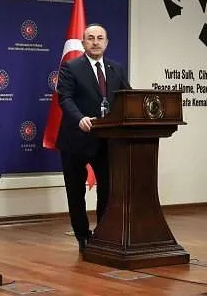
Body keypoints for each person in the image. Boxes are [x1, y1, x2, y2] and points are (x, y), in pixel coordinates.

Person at [56, 24, 130, 252]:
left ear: (106, 43)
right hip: (76, 138)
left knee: (108, 189)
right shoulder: (71, 67)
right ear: (83, 43)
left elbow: (127, 97)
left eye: (100, 38)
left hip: (106, 140)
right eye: (90, 38)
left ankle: (104, 233)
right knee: (75, 192)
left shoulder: (116, 68)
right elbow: (65, 98)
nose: (95, 42)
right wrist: (79, 118)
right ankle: (82, 236)